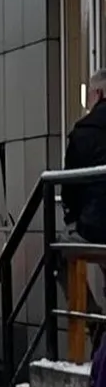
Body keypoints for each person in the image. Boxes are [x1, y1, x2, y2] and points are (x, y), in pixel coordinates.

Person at [62, 69, 106, 320]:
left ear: (98, 94)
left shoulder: (85, 130)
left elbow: (71, 189)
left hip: (97, 226)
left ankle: (92, 321)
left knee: (60, 253)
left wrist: (75, 220)